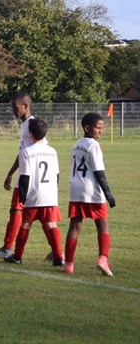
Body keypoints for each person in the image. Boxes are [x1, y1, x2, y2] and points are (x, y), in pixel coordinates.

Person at [0, 92, 47, 259]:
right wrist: (10, 173)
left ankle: (7, 248)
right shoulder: (26, 125)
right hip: (28, 176)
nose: (13, 110)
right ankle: (57, 253)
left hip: (28, 178)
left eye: (15, 107)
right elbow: (23, 153)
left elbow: (41, 148)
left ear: (26, 106)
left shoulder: (32, 125)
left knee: (18, 211)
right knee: (41, 215)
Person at [3, 118, 64, 266]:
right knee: (51, 225)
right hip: (49, 195)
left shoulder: (26, 152)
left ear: (30, 134)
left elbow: (25, 178)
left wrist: (23, 198)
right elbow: (56, 176)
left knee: (25, 225)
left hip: (34, 195)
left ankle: (17, 256)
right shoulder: (52, 151)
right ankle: (58, 257)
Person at [63, 113, 116, 276]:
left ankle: (69, 264)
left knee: (75, 225)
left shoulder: (77, 144)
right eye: (97, 128)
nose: (100, 131)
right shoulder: (94, 145)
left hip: (75, 188)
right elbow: (99, 172)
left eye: (102, 128)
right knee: (102, 224)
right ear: (87, 128)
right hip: (91, 188)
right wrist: (108, 194)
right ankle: (103, 259)